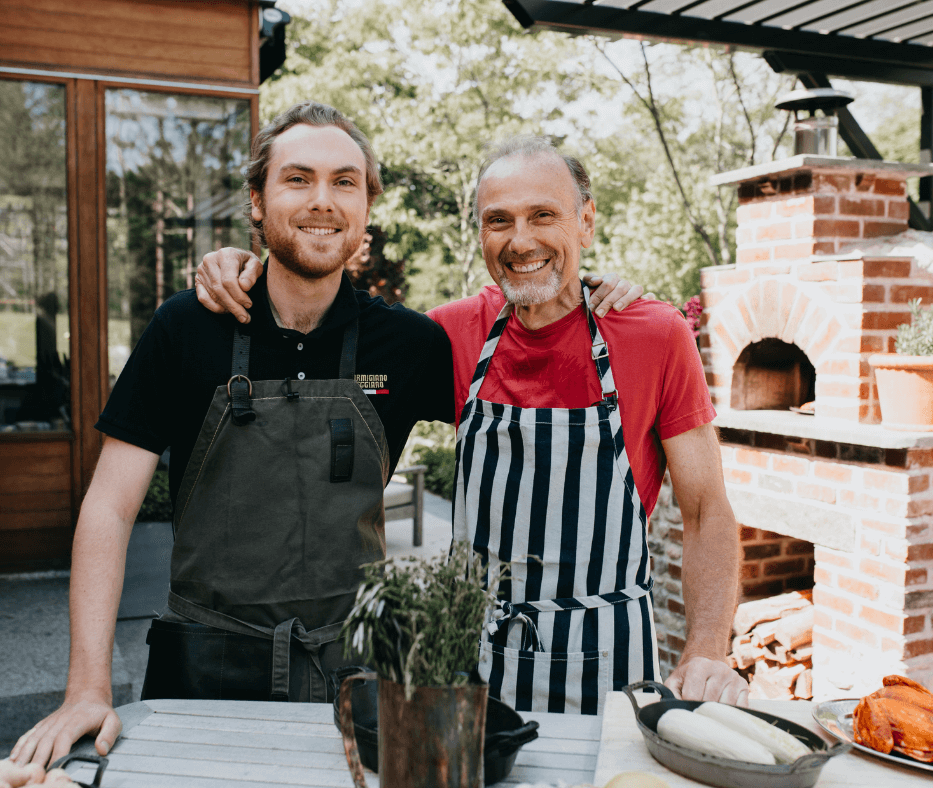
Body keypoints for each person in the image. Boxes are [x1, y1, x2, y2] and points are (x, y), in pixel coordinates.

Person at [11, 103, 635, 769]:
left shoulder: (412, 344)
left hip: (358, 681)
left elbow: (531, 359)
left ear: (366, 206)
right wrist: (86, 689)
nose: (322, 201)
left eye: (344, 182)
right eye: (297, 178)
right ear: (257, 200)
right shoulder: (185, 329)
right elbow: (108, 508)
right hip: (199, 667)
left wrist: (586, 290)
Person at [193, 136, 748, 714]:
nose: (521, 240)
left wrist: (707, 647)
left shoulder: (654, 335)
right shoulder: (449, 336)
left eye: (544, 216)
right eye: (498, 221)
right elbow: (317, 326)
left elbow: (706, 507)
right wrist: (243, 267)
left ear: (585, 222)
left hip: (607, 667)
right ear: (480, 233)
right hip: (471, 665)